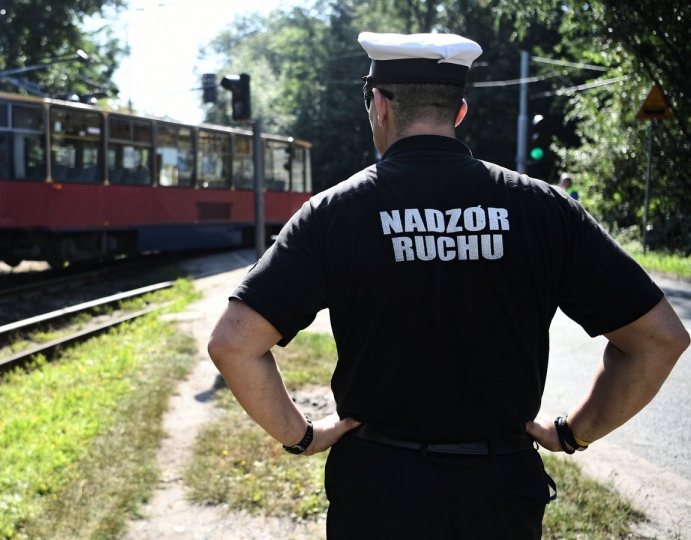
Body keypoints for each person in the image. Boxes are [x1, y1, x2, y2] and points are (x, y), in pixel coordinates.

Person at [206, 31, 689, 539]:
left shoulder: (334, 213)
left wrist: (301, 435)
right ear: (459, 113)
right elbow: (659, 340)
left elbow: (234, 344)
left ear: (380, 106)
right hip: (499, 495)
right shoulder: (545, 209)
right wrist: (573, 432)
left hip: (377, 492)